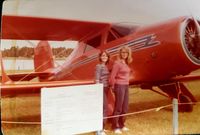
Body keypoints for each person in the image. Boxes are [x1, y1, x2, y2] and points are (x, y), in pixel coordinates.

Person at [109, 46, 133, 134]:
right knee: (118, 107)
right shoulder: (117, 63)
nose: (124, 54)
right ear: (120, 53)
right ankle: (115, 126)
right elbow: (112, 76)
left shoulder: (126, 63)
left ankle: (122, 124)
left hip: (126, 86)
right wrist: (112, 86)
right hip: (119, 86)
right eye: (123, 52)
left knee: (125, 107)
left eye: (126, 52)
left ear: (128, 54)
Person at [95, 51, 110, 135]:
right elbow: (97, 79)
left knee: (104, 108)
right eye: (103, 56)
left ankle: (102, 128)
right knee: (103, 108)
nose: (104, 57)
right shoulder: (98, 66)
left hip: (106, 88)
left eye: (106, 56)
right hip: (101, 88)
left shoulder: (106, 66)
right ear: (100, 57)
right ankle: (99, 130)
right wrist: (98, 89)